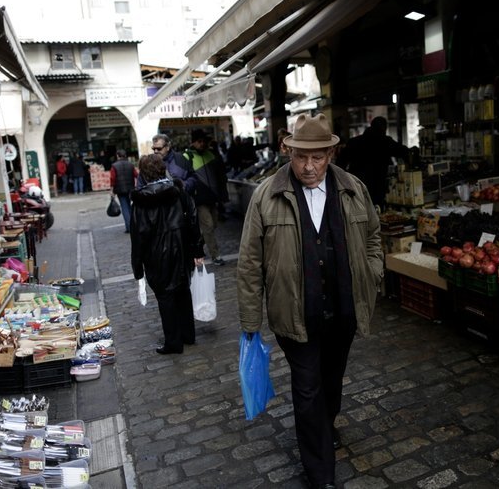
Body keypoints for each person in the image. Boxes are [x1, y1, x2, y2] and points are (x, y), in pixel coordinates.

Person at [237, 113, 384, 489]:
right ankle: (320, 473)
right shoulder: (266, 195)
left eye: (317, 157)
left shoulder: (354, 189)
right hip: (295, 313)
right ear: (289, 151)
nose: (308, 166)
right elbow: (250, 260)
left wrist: (372, 274)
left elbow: (372, 236)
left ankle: (326, 424)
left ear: (331, 153)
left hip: (344, 308)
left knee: (331, 379)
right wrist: (250, 322)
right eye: (301, 157)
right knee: (307, 388)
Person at [130, 153, 205, 355]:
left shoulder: (141, 200)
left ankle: (174, 342)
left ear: (144, 174)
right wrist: (197, 249)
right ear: (163, 169)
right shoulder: (178, 191)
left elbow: (138, 237)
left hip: (156, 256)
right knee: (182, 291)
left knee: (166, 297)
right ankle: (188, 335)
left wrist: (137, 268)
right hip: (180, 249)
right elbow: (193, 221)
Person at [336, 116, 409, 208]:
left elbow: (340, 164)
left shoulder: (354, 142)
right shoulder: (385, 142)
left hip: (357, 186)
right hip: (379, 187)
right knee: (377, 213)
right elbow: (403, 151)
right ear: (384, 128)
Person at [182, 129, 229, 266]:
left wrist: (222, 195)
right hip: (199, 199)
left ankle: (197, 244)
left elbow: (220, 174)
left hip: (213, 198)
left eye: (204, 141)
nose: (202, 144)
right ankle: (216, 255)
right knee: (208, 226)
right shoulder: (187, 157)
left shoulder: (211, 154)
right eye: (199, 141)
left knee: (213, 225)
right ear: (193, 142)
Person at [110, 149, 138, 233]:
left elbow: (112, 179)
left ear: (118, 156)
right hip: (130, 188)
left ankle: (129, 227)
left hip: (120, 190)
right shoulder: (130, 165)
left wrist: (111, 190)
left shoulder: (114, 166)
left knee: (124, 207)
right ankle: (133, 225)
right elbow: (136, 175)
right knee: (129, 206)